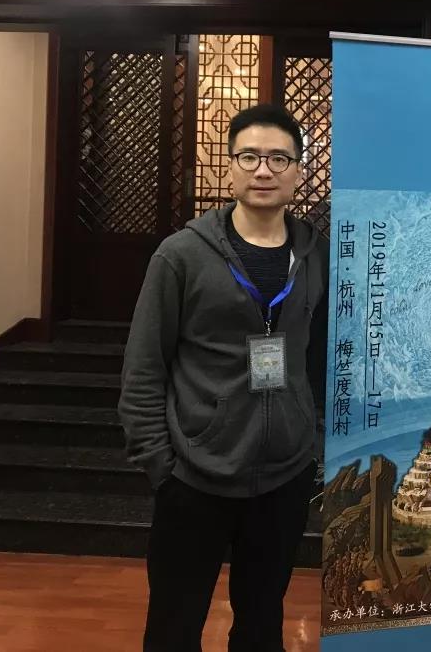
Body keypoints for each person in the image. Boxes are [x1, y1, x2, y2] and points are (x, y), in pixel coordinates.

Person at [119, 103, 329, 652]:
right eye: (250, 157)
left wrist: (311, 440)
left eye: (279, 158)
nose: (264, 170)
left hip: (283, 477)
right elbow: (144, 367)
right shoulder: (181, 255)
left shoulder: (316, 256)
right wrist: (162, 466)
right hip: (195, 478)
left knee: (261, 624)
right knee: (174, 624)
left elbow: (320, 359)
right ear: (229, 167)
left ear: (298, 171)